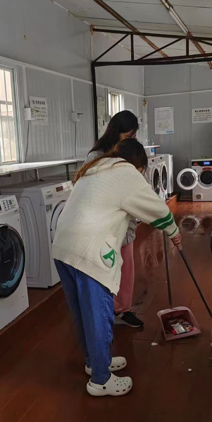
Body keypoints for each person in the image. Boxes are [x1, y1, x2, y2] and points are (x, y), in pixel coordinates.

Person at [53, 139, 181, 397]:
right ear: (139, 164)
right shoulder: (126, 172)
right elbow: (156, 207)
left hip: (64, 248)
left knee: (82, 313)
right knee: (99, 314)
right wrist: (174, 232)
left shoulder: (96, 167)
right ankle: (101, 380)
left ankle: (95, 362)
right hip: (89, 252)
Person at [84, 110, 143, 328]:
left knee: (126, 270)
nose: (131, 140)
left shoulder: (129, 154)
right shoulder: (96, 157)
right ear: (115, 132)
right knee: (105, 270)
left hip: (125, 224)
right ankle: (104, 313)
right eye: (127, 136)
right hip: (104, 226)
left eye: (133, 136)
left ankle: (123, 310)